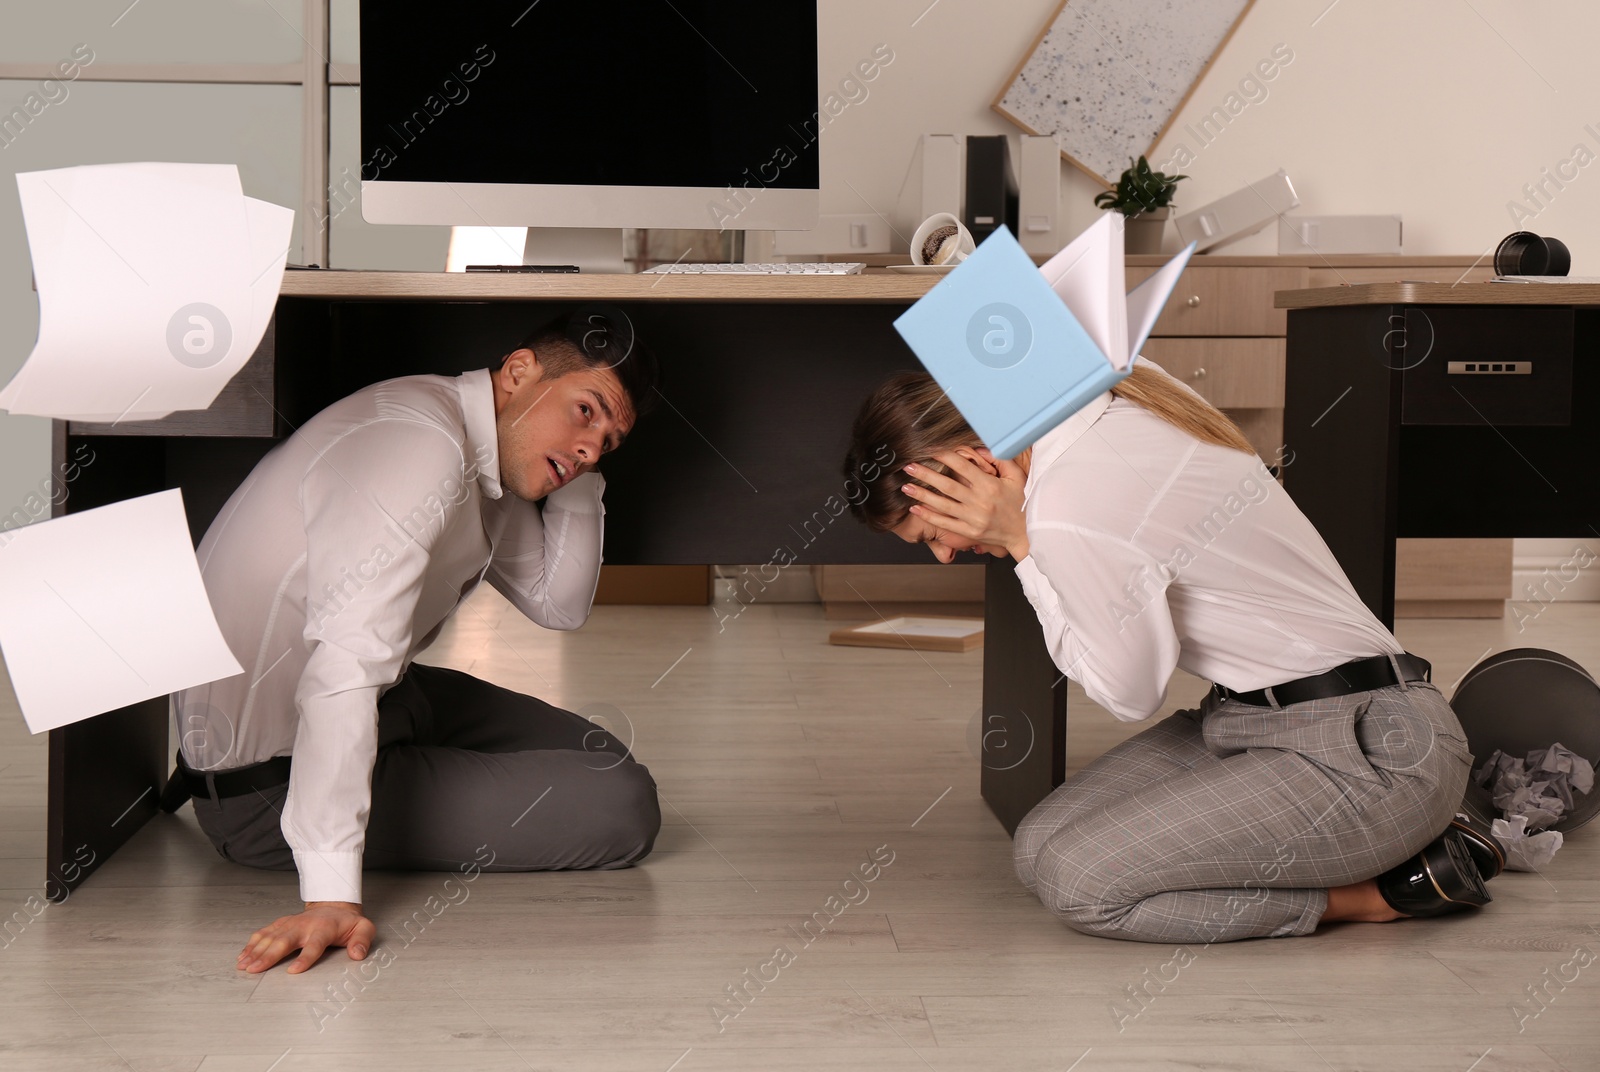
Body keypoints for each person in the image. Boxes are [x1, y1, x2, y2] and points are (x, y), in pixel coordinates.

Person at [842, 360, 1503, 944]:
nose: (946, 552)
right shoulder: (1108, 402)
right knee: (1038, 847)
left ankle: (1391, 890)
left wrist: (1023, 546)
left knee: (1082, 885)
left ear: (975, 465)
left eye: (932, 531)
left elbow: (1127, 696)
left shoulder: (1071, 507)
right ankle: (1402, 837)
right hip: (1254, 721)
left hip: (1374, 753)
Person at [167, 305, 662, 973]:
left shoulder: (484, 450)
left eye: (611, 439)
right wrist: (330, 898)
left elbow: (557, 604)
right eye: (586, 412)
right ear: (519, 372)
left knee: (598, 755)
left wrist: (582, 468)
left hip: (390, 699)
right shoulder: (419, 445)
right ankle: (321, 843)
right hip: (266, 785)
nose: (593, 445)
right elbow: (341, 668)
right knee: (622, 805)